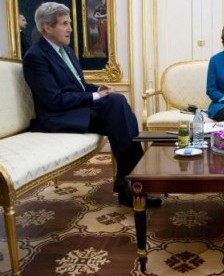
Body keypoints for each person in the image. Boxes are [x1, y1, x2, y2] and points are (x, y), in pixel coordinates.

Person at [22, 2, 160, 208]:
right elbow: (54, 100)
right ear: (46, 27)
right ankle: (132, 182)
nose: (70, 29)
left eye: (69, 23)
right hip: (57, 116)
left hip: (75, 110)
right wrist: (96, 97)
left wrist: (96, 89)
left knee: (118, 107)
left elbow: (80, 86)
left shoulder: (66, 52)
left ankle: (129, 182)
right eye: (64, 24)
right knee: (116, 105)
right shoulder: (36, 56)